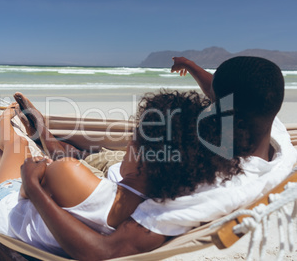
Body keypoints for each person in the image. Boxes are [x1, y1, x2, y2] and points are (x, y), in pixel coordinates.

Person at [20, 56, 297, 259]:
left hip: (119, 185)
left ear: (224, 111)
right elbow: (227, 94)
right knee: (103, 153)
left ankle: (47, 137)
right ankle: (51, 138)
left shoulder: (217, 192)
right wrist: (192, 67)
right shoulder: (276, 136)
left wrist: (33, 189)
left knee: (75, 160)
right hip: (146, 166)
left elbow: (107, 251)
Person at [0, 89, 240, 257]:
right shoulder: (159, 214)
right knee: (22, 159)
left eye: (133, 140)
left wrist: (35, 177)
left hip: (3, 211)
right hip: (48, 220)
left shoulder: (71, 173)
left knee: (18, 148)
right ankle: (4, 134)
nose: (127, 146)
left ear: (141, 157)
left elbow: (23, 192)